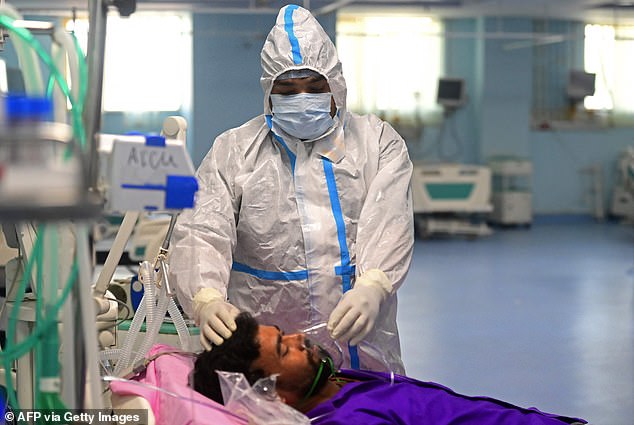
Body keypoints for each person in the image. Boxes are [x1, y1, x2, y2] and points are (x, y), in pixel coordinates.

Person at [170, 4, 414, 373]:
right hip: (268, 338)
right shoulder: (234, 150)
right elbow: (202, 229)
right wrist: (205, 298)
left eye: (315, 87)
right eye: (288, 89)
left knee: (362, 404)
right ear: (269, 93)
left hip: (360, 331)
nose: (302, 99)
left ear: (336, 86)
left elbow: (390, 220)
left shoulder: (377, 143)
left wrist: (374, 285)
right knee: (271, 402)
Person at [192, 312, 588, 425]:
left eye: (285, 333)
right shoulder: (351, 419)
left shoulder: (339, 382)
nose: (299, 338)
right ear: (274, 394)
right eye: (284, 348)